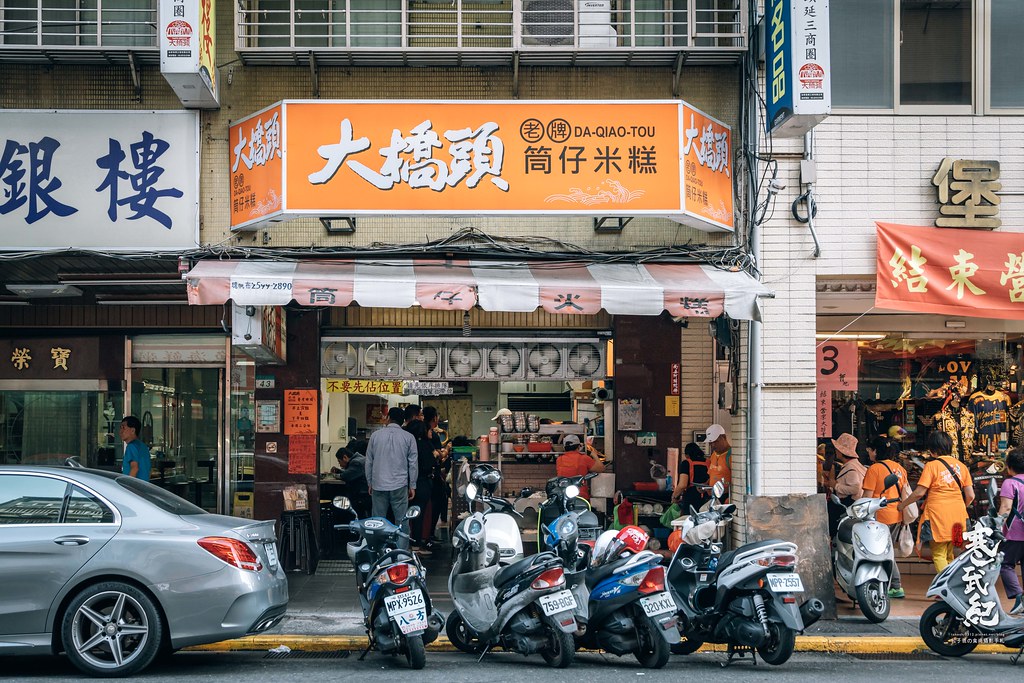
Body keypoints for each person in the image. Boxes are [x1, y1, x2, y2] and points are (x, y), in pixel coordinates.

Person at [898, 431, 975, 573]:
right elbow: (970, 495)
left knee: (939, 553)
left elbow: (919, 492)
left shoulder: (931, 466)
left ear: (932, 449)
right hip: (958, 515)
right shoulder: (961, 466)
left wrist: (902, 505)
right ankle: (951, 586)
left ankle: (944, 588)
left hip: (937, 515)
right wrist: (961, 507)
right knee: (950, 553)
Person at [862, 435, 909, 598]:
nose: (869, 452)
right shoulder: (900, 468)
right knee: (887, 551)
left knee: (882, 552)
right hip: (897, 514)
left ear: (876, 451)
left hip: (880, 516)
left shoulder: (874, 469)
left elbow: (866, 497)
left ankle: (895, 585)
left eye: (870, 449)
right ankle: (890, 584)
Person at [365, 407, 419, 549]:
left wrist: (369, 482)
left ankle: (377, 550)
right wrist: (412, 485)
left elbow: (369, 461)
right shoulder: (409, 437)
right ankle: (402, 552)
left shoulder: (375, 436)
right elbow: (413, 463)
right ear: (402, 422)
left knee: (377, 521)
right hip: (399, 485)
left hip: (378, 484)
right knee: (402, 521)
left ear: (388, 418)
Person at [997, 447, 1024, 615]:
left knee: (1005, 564)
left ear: (1009, 466)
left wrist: (996, 527)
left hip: (1015, 533)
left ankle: (1019, 597)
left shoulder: (1010, 482)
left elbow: (1006, 507)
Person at [405, 419, 437, 554]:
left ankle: (406, 543)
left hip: (405, 482)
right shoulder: (425, 445)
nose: (431, 431)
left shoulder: (407, 444)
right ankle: (416, 545)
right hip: (422, 482)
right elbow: (429, 464)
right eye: (428, 429)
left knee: (405, 514)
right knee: (418, 514)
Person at [423, 406, 450, 546]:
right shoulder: (431, 434)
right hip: (432, 474)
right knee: (436, 503)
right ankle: (429, 534)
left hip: (426, 474)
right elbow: (438, 455)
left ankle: (428, 534)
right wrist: (446, 451)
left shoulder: (425, 432)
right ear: (435, 418)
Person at [555, 434, 604, 499]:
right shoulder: (584, 458)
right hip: (581, 496)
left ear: (564, 447)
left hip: (563, 495)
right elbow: (601, 468)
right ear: (579, 446)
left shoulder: (559, 459)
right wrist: (594, 455)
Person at [671, 442, 710, 513]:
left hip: (691, 499)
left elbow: (682, 485)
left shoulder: (686, 463)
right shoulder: (708, 462)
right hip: (707, 498)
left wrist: (674, 497)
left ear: (687, 455)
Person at [332, 446, 370, 518]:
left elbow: (346, 476)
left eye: (339, 461)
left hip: (362, 495)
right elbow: (351, 472)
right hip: (366, 493)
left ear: (345, 457)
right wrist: (339, 471)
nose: (339, 464)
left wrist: (334, 475)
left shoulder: (356, 462)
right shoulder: (360, 459)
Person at [832, 433, 866, 506]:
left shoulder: (851, 468)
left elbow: (855, 489)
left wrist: (836, 486)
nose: (836, 451)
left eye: (837, 449)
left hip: (848, 504)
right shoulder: (857, 465)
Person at [703, 424, 731, 498]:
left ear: (724, 437)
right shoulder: (713, 455)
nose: (713, 445)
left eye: (715, 442)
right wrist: (705, 486)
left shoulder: (732, 456)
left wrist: (724, 490)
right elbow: (712, 475)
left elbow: (739, 482)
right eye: (710, 443)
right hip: (713, 496)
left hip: (725, 497)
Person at [120, 415, 151, 480]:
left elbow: (134, 468)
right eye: (120, 428)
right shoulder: (143, 446)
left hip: (133, 487)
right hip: (144, 486)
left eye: (123, 428)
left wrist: (127, 485)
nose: (121, 431)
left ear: (133, 430)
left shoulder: (131, 446)